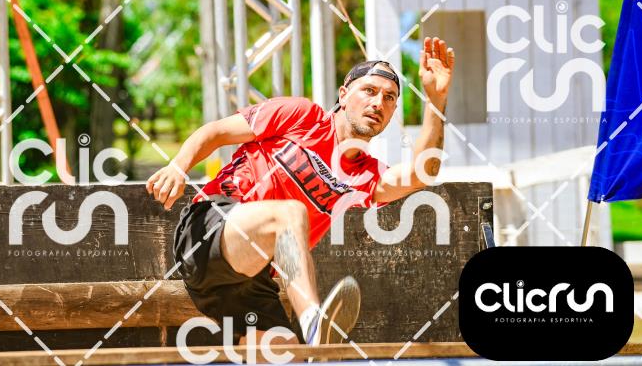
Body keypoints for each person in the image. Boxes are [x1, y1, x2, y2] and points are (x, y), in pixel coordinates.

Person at [146, 37, 455, 345]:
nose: (378, 103)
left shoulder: (366, 175)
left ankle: (310, 338)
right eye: (369, 91)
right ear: (344, 95)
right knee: (290, 213)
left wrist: (435, 100)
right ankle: (313, 323)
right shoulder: (301, 115)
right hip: (207, 231)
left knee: (286, 354)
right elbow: (216, 132)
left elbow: (422, 173)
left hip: (248, 277)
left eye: (389, 98)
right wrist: (178, 166)